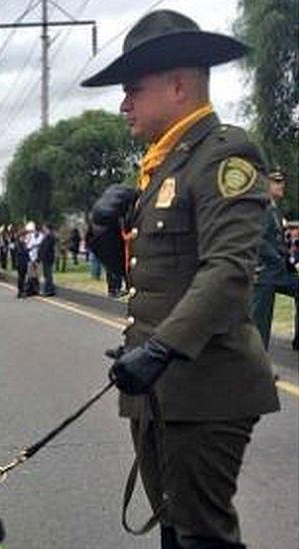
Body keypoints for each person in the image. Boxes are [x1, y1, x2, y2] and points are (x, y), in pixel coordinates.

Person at [84, 10, 280, 548]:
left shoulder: (224, 157)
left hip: (206, 388)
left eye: (132, 90)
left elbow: (227, 271)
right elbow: (148, 277)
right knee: (174, 529)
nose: (123, 105)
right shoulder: (164, 167)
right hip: (160, 388)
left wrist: (160, 348)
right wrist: (102, 232)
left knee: (202, 536)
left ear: (176, 86)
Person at [249, 168, 298, 351]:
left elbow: (277, 241)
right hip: (265, 273)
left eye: (282, 181)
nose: (281, 185)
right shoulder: (263, 208)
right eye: (276, 182)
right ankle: (257, 361)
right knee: (261, 322)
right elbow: (259, 240)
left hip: (278, 271)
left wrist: (288, 260)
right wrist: (277, 258)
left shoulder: (276, 210)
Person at [39, 223, 57, 296]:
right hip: (45, 258)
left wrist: (42, 254)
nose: (43, 229)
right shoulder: (46, 236)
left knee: (48, 274)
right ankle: (48, 288)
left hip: (48, 257)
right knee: (46, 274)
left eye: (44, 228)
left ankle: (50, 289)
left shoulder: (50, 237)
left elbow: (46, 248)